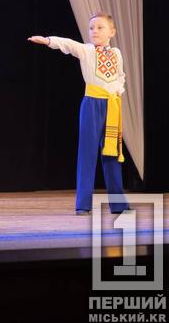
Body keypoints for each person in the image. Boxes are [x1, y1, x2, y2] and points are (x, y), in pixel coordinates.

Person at [27, 12, 129, 215]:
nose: (94, 31)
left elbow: (120, 76)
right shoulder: (87, 50)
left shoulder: (116, 53)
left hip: (112, 106)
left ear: (112, 32)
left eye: (100, 27)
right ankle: (83, 204)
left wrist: (118, 90)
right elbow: (69, 44)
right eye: (91, 28)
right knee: (87, 154)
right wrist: (48, 41)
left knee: (112, 154)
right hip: (92, 104)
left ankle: (118, 204)